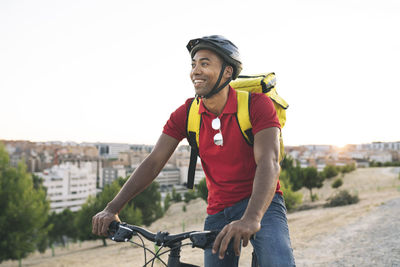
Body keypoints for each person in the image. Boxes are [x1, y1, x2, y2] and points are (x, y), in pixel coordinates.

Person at [92, 35, 296, 266]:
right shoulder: (187, 113)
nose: (195, 71)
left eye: (205, 63)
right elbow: (153, 162)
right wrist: (112, 208)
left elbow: (269, 161)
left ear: (227, 72)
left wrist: (251, 218)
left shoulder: (255, 105)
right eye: (193, 64)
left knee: (278, 261)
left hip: (262, 205)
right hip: (218, 211)